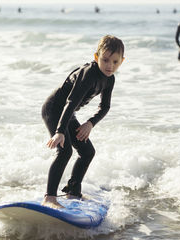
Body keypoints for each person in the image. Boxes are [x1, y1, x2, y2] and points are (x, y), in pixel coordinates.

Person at [41, 35, 125, 209]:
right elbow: (70, 102)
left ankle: (73, 191)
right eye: (105, 60)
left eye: (115, 62)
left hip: (68, 114)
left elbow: (105, 107)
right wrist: (60, 131)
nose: (110, 66)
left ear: (122, 61)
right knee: (65, 152)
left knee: (87, 152)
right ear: (96, 57)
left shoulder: (110, 79)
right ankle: (49, 197)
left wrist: (90, 123)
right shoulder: (88, 74)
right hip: (54, 109)